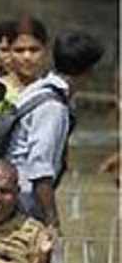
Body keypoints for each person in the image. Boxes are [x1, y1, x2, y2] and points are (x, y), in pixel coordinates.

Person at [8, 28, 103, 235]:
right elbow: (39, 168)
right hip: (23, 203)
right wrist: (52, 221)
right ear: (88, 71)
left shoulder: (38, 88)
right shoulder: (53, 107)